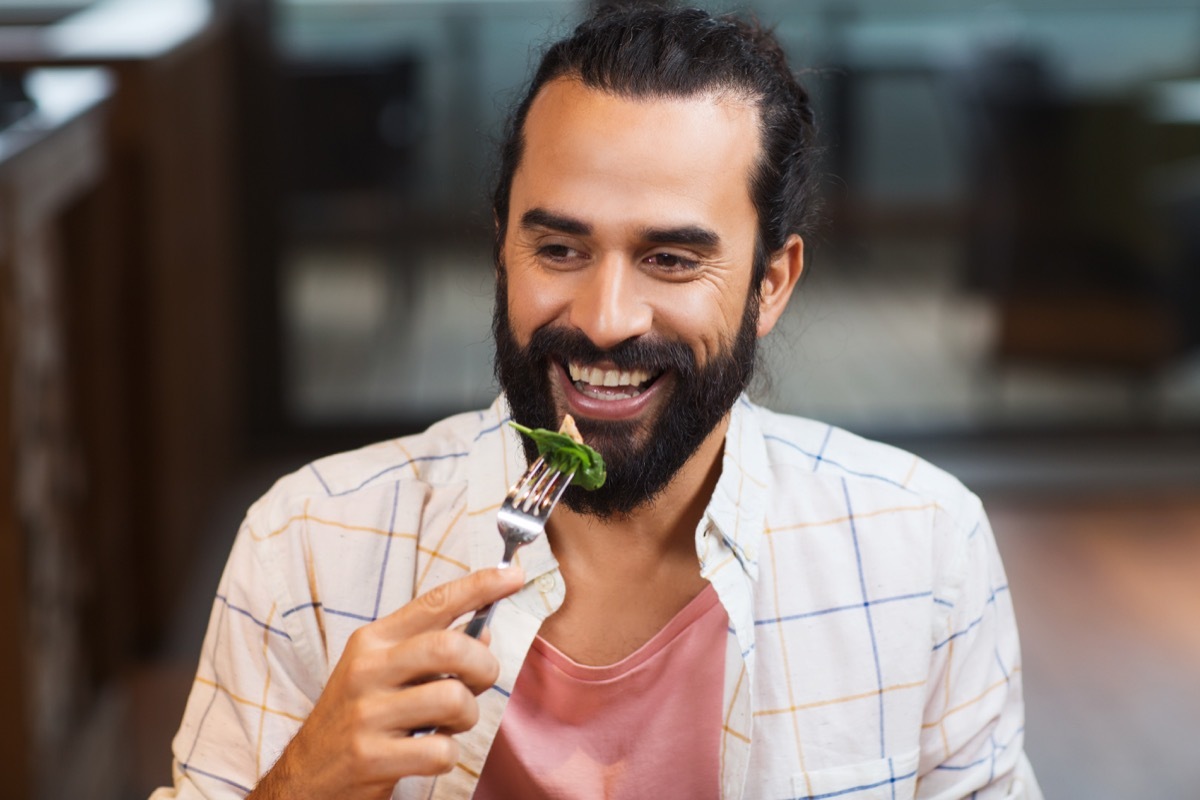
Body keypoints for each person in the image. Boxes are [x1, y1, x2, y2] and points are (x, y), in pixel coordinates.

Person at [153, 6, 1042, 799]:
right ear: (502, 247)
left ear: (771, 284)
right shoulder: (306, 546)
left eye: (671, 259)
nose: (605, 322)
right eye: (561, 250)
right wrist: (303, 786)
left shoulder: (922, 547)